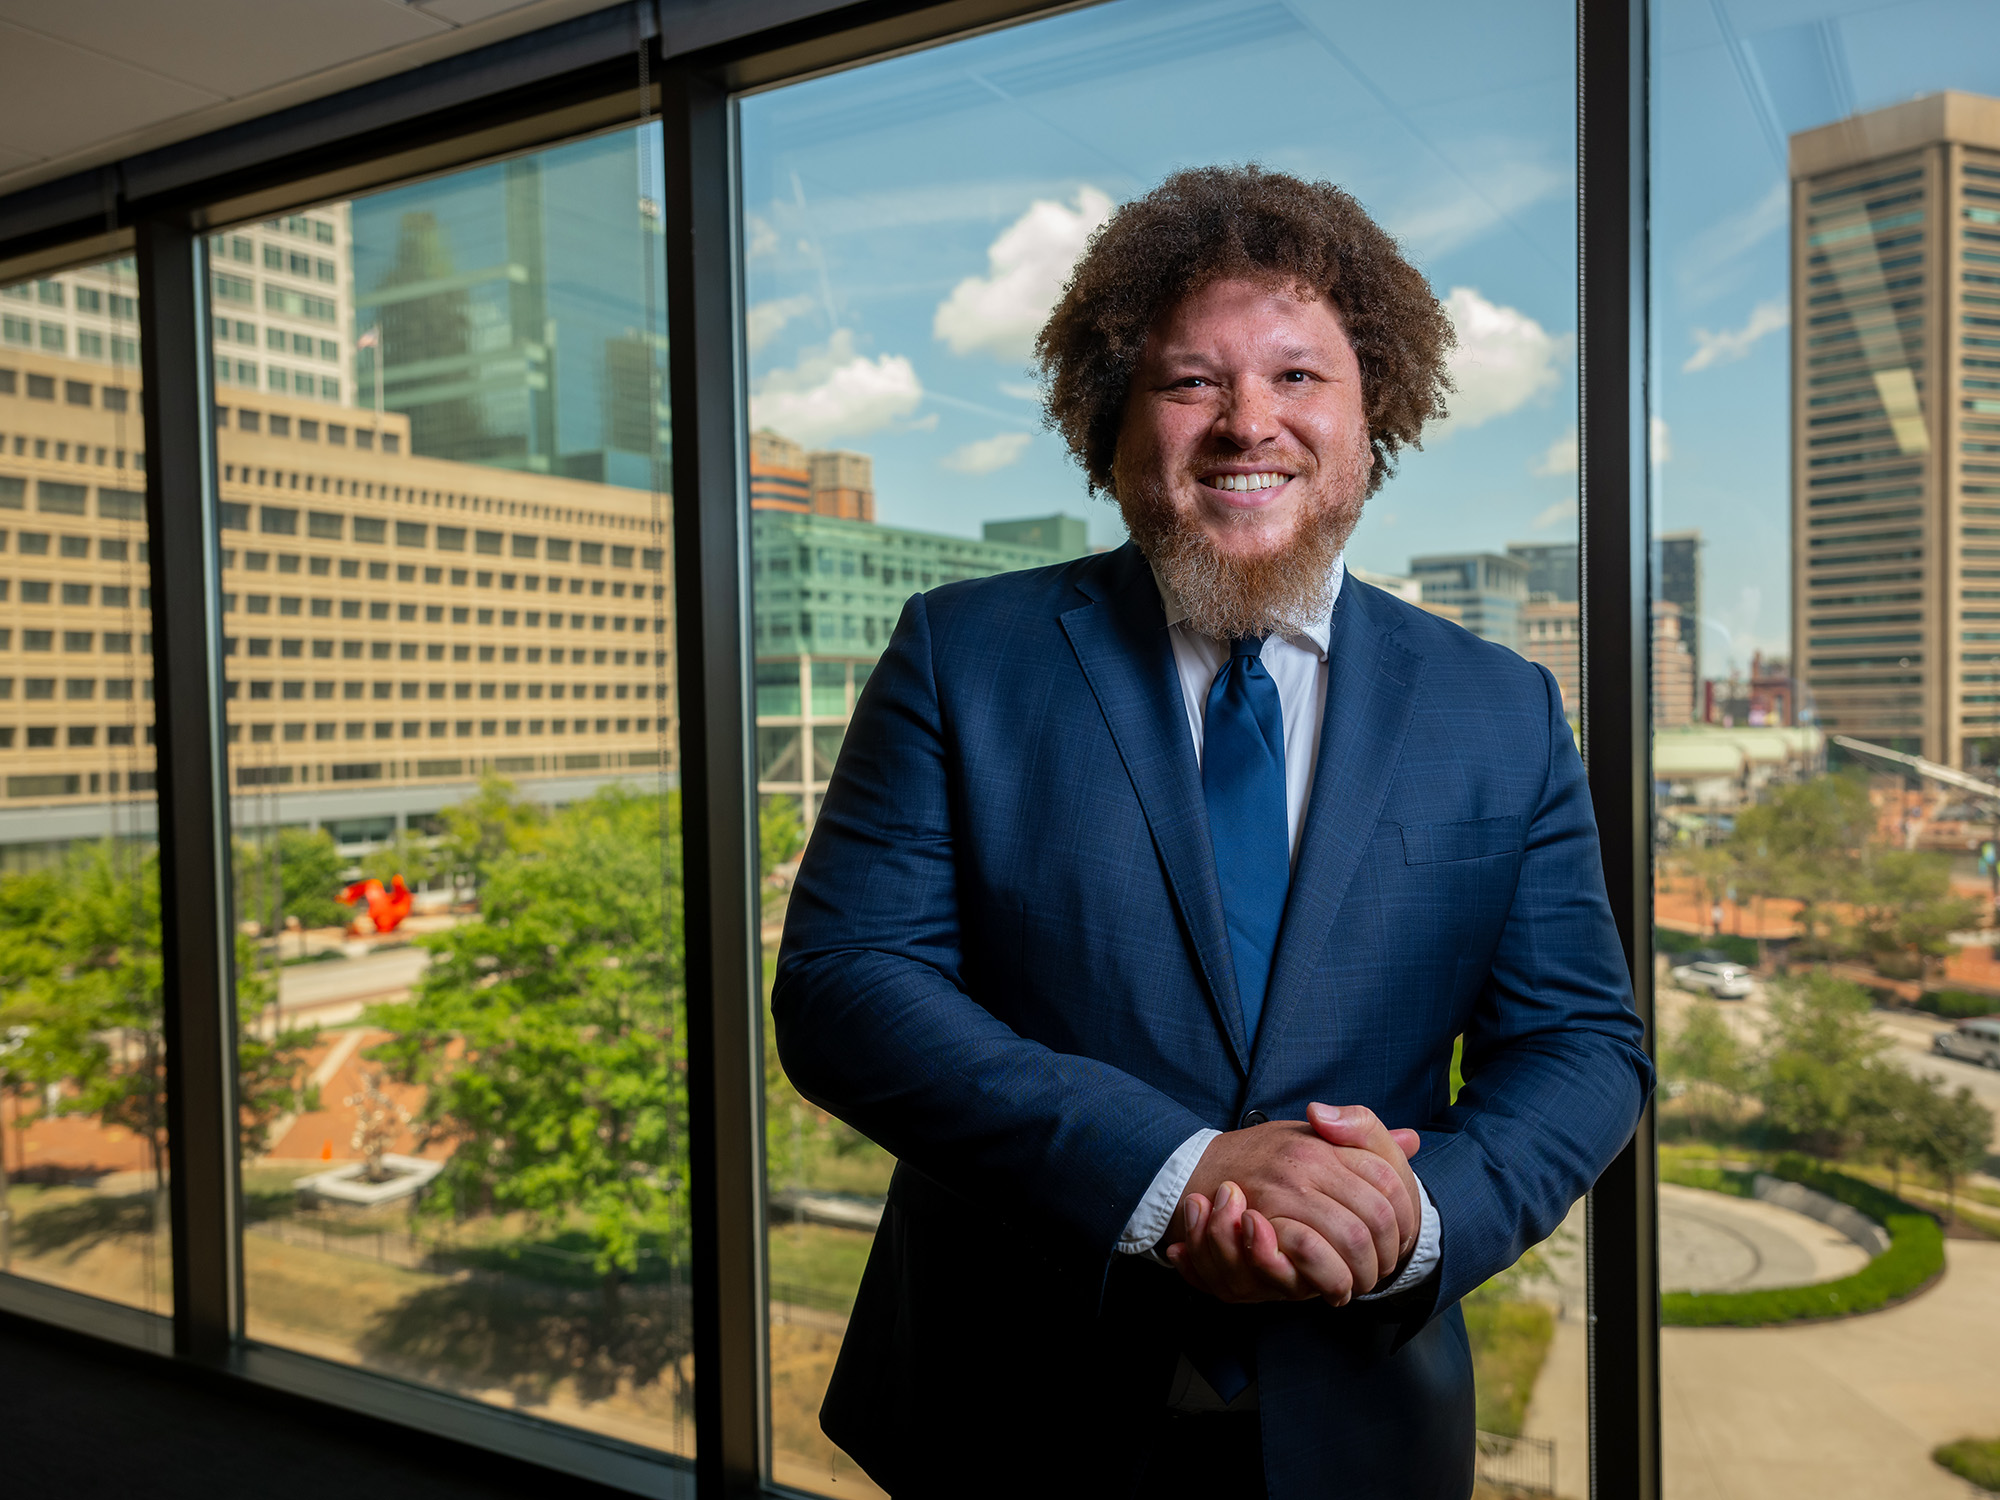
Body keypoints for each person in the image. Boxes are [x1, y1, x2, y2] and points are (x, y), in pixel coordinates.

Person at [774, 164, 1652, 1499]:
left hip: (1363, 1419)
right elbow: (846, 986)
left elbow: (1584, 1046)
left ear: (1375, 420)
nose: (1251, 423)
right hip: (1008, 1411)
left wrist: (1415, 1217)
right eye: (1193, 381)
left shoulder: (1502, 710)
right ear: (1114, 425)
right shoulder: (967, 655)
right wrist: (1172, 1172)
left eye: (1301, 378)